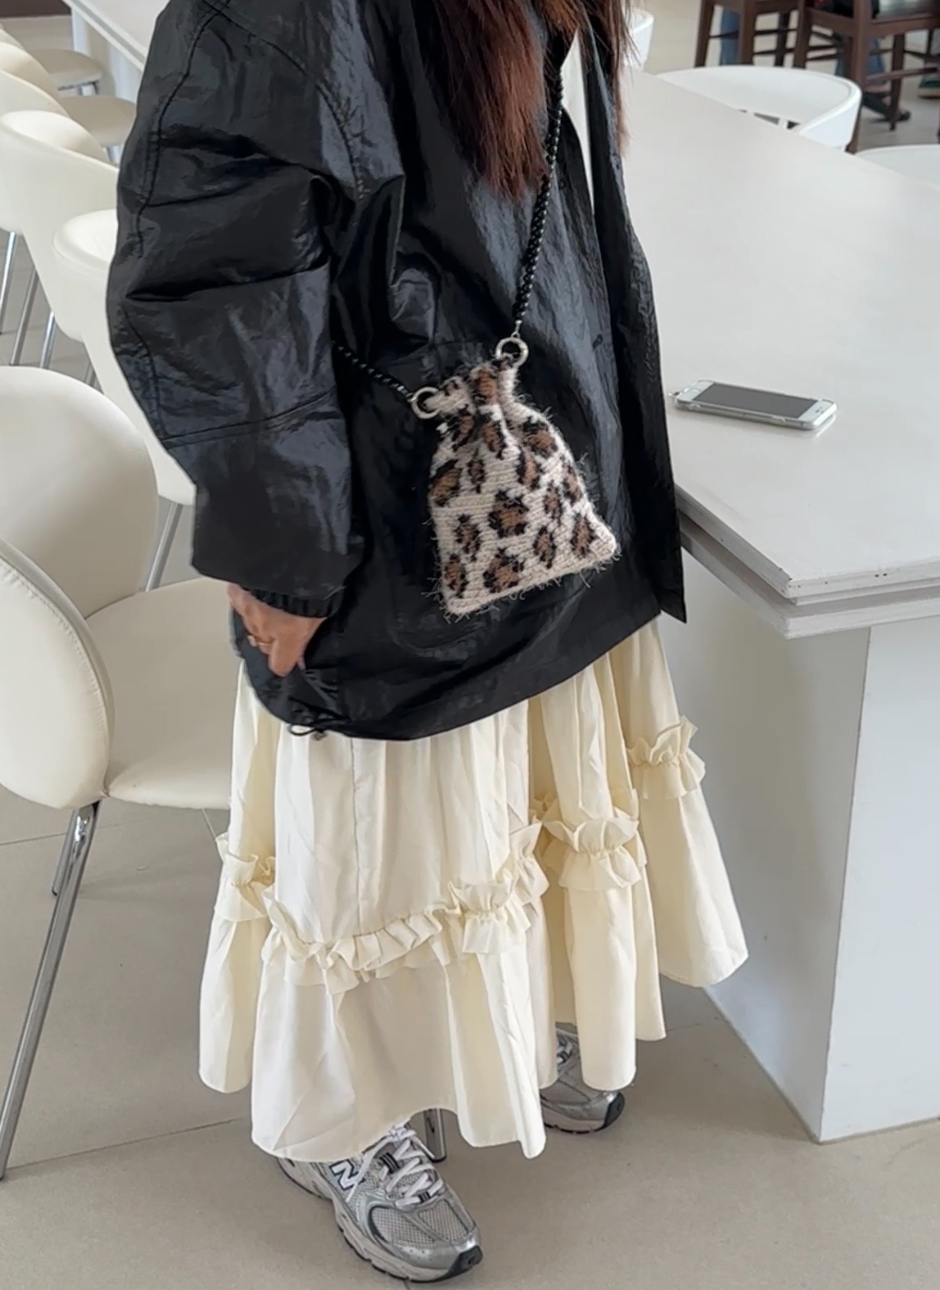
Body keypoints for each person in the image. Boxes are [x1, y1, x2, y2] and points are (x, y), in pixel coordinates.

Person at [109, 0, 747, 1280]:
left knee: (513, 768)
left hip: (519, 436)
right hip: (378, 481)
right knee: (381, 821)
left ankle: (500, 1022)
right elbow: (217, 273)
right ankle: (344, 1118)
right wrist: (288, 541)